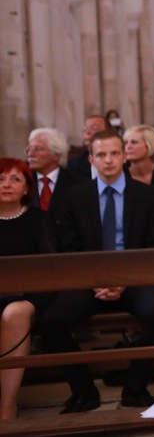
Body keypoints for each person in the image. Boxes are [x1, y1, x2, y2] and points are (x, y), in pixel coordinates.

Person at [37, 130, 154, 412]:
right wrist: (96, 281)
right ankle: (84, 391)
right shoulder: (76, 197)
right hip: (90, 282)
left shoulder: (147, 195)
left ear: (124, 157)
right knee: (50, 321)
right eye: (101, 154)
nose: (108, 160)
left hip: (134, 280)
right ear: (91, 160)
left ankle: (135, 389)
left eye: (114, 154)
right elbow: (70, 250)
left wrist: (124, 282)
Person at [0, 157, 55, 419]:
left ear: (26, 188)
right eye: (0, 179)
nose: (6, 184)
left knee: (15, 313)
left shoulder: (38, 219)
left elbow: (50, 267)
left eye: (15, 179)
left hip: (26, 296)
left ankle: (7, 406)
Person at [67, 115, 108, 179]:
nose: (88, 132)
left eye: (94, 128)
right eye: (85, 129)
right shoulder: (75, 164)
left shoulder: (120, 161)